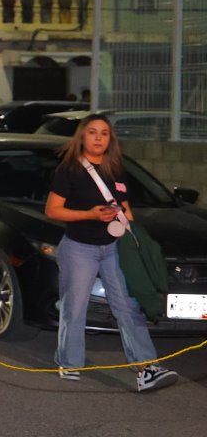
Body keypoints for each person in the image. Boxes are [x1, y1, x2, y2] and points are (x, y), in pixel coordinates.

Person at [45, 114, 177, 392]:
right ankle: (68, 361)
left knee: (127, 306)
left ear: (110, 139)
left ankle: (146, 368)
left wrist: (121, 216)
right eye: (92, 132)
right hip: (79, 248)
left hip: (113, 248)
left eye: (104, 133)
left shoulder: (116, 169)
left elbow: (126, 208)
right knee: (75, 307)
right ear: (82, 136)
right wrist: (90, 214)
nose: (98, 138)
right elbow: (52, 210)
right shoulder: (69, 169)